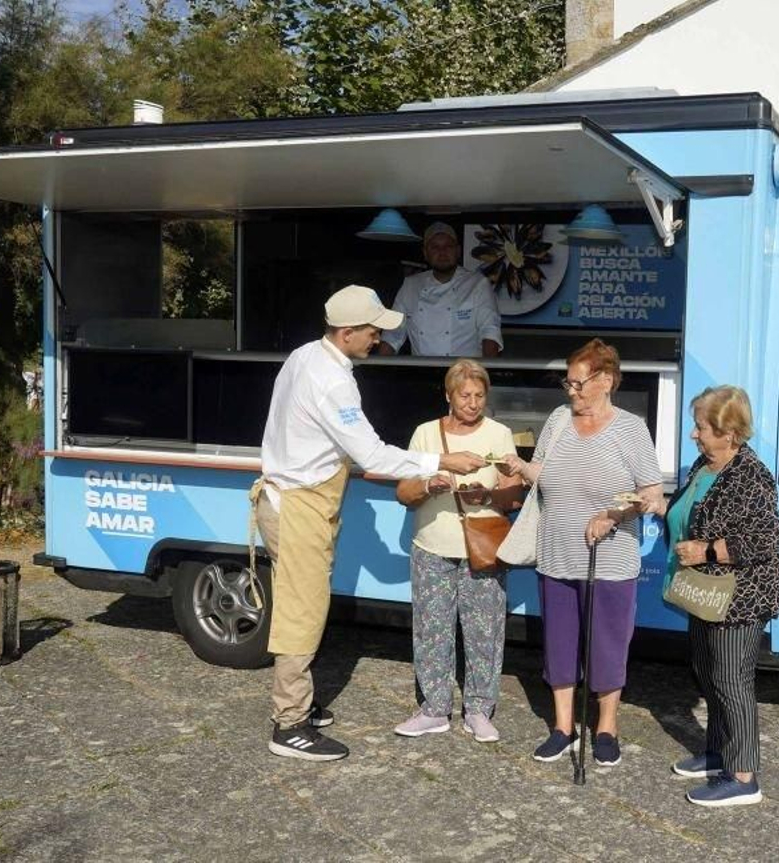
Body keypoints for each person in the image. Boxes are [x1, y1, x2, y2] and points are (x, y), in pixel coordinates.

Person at [252, 285, 486, 763]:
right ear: (347, 332)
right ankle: (289, 723)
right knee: (302, 612)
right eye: (373, 330)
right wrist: (441, 461)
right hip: (300, 505)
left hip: (287, 497)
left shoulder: (304, 355)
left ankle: (299, 703)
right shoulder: (333, 381)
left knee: (304, 603)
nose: (379, 338)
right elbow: (373, 455)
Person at [497, 338, 667, 768]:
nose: (571, 391)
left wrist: (613, 515)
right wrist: (520, 467)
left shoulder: (629, 429)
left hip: (609, 557)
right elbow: (543, 472)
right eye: (567, 383)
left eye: (578, 384)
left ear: (605, 381)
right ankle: (562, 728)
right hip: (555, 552)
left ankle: (606, 728)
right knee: (559, 643)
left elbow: (652, 495)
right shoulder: (558, 419)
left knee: (607, 644)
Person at [393, 359, 525, 742]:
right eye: (465, 395)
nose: (473, 403)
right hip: (431, 547)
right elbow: (404, 493)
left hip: (483, 547)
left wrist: (488, 496)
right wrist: (428, 486)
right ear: (449, 395)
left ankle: (479, 711)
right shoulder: (425, 434)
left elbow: (515, 494)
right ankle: (434, 710)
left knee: (485, 632)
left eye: (479, 395)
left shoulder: (499, 434)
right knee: (431, 631)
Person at [666, 385, 779, 808]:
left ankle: (744, 776)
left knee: (732, 680)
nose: (694, 434)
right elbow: (690, 511)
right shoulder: (706, 465)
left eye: (701, 427)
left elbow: (768, 538)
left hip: (739, 597)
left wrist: (708, 551)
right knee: (708, 671)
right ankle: (719, 751)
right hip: (706, 592)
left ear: (728, 432)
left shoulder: (750, 475)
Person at [379, 222, 503, 358]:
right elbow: (392, 334)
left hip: (465, 369)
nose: (442, 252)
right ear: (425, 253)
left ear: (458, 251)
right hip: (421, 369)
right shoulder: (410, 285)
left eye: (448, 246)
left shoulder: (477, 284)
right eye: (435, 247)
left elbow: (490, 331)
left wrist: (488, 368)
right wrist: (379, 366)